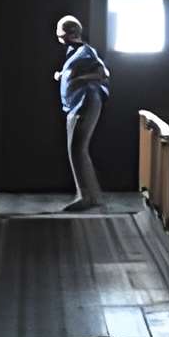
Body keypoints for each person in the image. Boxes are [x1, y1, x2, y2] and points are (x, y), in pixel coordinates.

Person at [55, 14, 110, 212]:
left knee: (77, 149)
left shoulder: (86, 51)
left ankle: (85, 196)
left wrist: (80, 79)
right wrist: (64, 75)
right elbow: (74, 72)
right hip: (75, 104)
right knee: (79, 150)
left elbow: (103, 74)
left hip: (85, 103)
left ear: (70, 34)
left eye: (61, 33)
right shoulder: (75, 53)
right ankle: (93, 196)